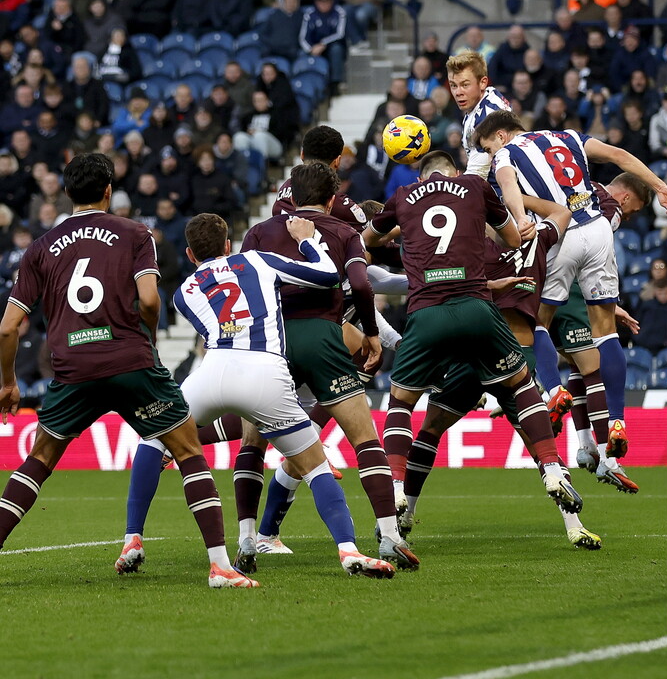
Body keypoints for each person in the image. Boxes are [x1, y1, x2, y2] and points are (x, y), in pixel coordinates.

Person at [0, 153, 256, 589]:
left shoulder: (40, 247)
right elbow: (151, 300)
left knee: (38, 461)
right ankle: (219, 566)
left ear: (65, 192)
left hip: (72, 369)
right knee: (188, 449)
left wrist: (7, 381)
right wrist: (148, 341)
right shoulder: (136, 233)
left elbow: (7, 327)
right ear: (108, 191)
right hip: (130, 360)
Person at [156, 210, 396, 579]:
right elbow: (359, 283)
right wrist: (308, 241)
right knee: (313, 461)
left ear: (189, 255)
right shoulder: (309, 258)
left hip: (226, 365)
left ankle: (246, 536)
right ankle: (363, 544)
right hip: (275, 367)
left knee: (170, 438)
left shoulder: (191, 287)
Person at [361, 150, 585, 516]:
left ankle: (398, 487)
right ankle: (553, 470)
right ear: (456, 172)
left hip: (428, 314)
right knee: (524, 389)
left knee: (402, 403)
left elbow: (368, 238)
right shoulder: (476, 187)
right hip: (482, 315)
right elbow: (514, 237)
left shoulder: (402, 196)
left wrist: (403, 225)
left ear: (422, 179)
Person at [238, 162, 417, 571]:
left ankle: (248, 540)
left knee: (252, 444)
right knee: (366, 441)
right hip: (323, 337)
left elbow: (245, 287)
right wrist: (372, 333)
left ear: (289, 196)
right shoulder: (343, 232)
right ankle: (388, 535)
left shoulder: (260, 232)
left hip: (273, 342)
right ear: (333, 199)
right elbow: (362, 284)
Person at [475, 110, 667, 477]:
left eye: (487, 147)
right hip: (597, 229)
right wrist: (660, 186)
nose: (488, 154)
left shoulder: (506, 153)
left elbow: (507, 184)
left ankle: (552, 391)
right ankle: (616, 421)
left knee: (538, 323)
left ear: (501, 136)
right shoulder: (568, 135)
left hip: (558, 234)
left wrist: (519, 217)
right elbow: (620, 157)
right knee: (607, 331)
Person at [444, 52, 512, 203]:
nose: (458, 92)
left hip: (504, 199)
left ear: (482, 82)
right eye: (453, 85)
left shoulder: (488, 117)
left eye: (465, 85)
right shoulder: (485, 98)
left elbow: (476, 176)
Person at [299, 0, 347, 92]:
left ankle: (335, 83)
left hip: (332, 45)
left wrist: (323, 44)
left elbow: (340, 34)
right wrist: (310, 49)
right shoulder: (309, 14)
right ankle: (305, 83)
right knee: (301, 54)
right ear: (316, 2)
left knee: (336, 50)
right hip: (313, 47)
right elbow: (303, 37)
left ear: (332, 1)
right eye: (321, 1)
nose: (324, 4)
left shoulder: (339, 12)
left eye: (326, 1)